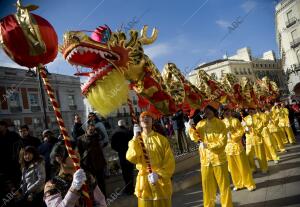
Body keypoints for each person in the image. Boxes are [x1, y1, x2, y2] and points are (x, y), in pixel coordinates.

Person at [126, 111, 175, 207]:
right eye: (143, 117)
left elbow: (170, 161)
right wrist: (135, 138)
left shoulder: (162, 139)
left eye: (148, 117)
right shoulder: (136, 141)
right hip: (144, 185)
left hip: (161, 183)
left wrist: (159, 174)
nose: (146, 119)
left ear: (153, 121)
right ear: (139, 123)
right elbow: (132, 158)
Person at [188, 104, 233, 207]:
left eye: (209, 109)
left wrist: (208, 145)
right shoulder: (200, 124)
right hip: (205, 160)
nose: (207, 111)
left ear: (213, 111)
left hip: (218, 159)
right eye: (205, 110)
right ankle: (209, 205)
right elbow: (194, 137)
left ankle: (227, 205)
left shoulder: (220, 124)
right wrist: (191, 127)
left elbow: (222, 141)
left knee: (223, 185)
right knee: (207, 185)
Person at [44, 142, 107, 207]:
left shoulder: (87, 176)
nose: (77, 155)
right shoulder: (51, 185)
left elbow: (101, 200)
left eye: (77, 152)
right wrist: (74, 188)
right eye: (72, 153)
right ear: (58, 158)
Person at [222, 107, 256, 191]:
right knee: (233, 168)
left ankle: (249, 184)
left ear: (230, 111)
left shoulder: (235, 121)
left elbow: (241, 131)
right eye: (225, 111)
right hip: (228, 148)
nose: (227, 113)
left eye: (228, 111)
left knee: (243, 166)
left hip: (237, 146)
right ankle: (238, 184)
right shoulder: (221, 123)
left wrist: (232, 136)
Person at [77, 123, 107, 197]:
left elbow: (103, 136)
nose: (91, 130)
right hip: (88, 163)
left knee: (101, 181)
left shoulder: (97, 136)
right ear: (86, 129)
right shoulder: (80, 139)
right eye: (90, 129)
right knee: (90, 182)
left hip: (99, 162)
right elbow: (79, 152)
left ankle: (103, 196)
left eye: (93, 129)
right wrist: (81, 163)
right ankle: (93, 197)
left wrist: (97, 129)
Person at [0, 120, 23, 203]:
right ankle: (8, 200)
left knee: (16, 184)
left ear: (5, 126)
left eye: (1, 125)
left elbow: (21, 149)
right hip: (2, 167)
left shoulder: (14, 135)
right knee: (6, 186)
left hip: (14, 165)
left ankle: (18, 199)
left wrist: (19, 160)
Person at [110, 119, 134, 195]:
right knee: (130, 171)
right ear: (124, 124)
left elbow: (112, 145)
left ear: (118, 124)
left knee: (125, 172)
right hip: (130, 153)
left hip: (122, 154)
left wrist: (119, 149)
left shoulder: (114, 132)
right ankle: (132, 187)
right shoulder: (129, 131)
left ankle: (128, 189)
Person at [243, 107, 268, 173]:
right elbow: (242, 128)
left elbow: (261, 127)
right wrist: (245, 128)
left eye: (252, 110)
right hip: (249, 139)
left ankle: (264, 167)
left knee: (260, 153)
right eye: (249, 110)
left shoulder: (258, 118)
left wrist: (253, 128)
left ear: (254, 111)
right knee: (249, 153)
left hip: (257, 137)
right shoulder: (245, 119)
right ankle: (252, 168)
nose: (250, 111)